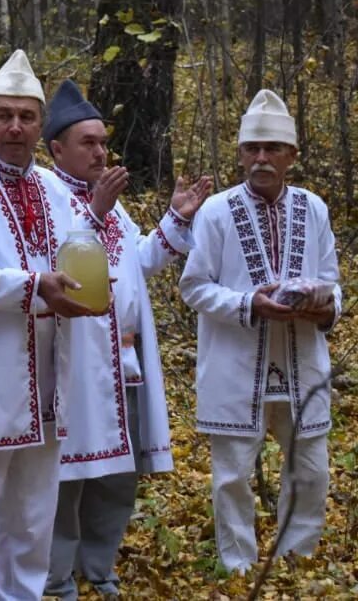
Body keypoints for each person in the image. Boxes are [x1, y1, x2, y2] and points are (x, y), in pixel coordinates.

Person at [0, 50, 114, 601]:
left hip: (48, 392)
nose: (15, 127)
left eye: (26, 116)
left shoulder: (57, 192)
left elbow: (79, 260)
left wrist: (86, 290)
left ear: (39, 125)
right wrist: (37, 289)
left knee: (32, 526)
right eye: (3, 115)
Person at [41, 79, 210, 599]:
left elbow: (138, 260)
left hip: (125, 360)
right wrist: (93, 209)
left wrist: (175, 218)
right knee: (69, 474)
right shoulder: (46, 197)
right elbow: (58, 262)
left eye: (102, 142)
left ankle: (100, 565)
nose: (99, 151)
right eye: (87, 142)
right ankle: (54, 576)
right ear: (57, 150)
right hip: (76, 362)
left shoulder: (112, 204)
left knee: (118, 473)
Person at [180, 89, 340, 574]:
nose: (261, 158)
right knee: (232, 477)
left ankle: (300, 559)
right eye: (252, 148)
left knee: (311, 472)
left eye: (272, 148)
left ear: (292, 155)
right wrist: (251, 303)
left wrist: (323, 306)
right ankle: (239, 570)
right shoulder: (215, 212)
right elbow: (194, 286)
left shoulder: (314, 208)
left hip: (302, 364)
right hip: (235, 365)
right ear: (240, 153)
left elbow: (333, 280)